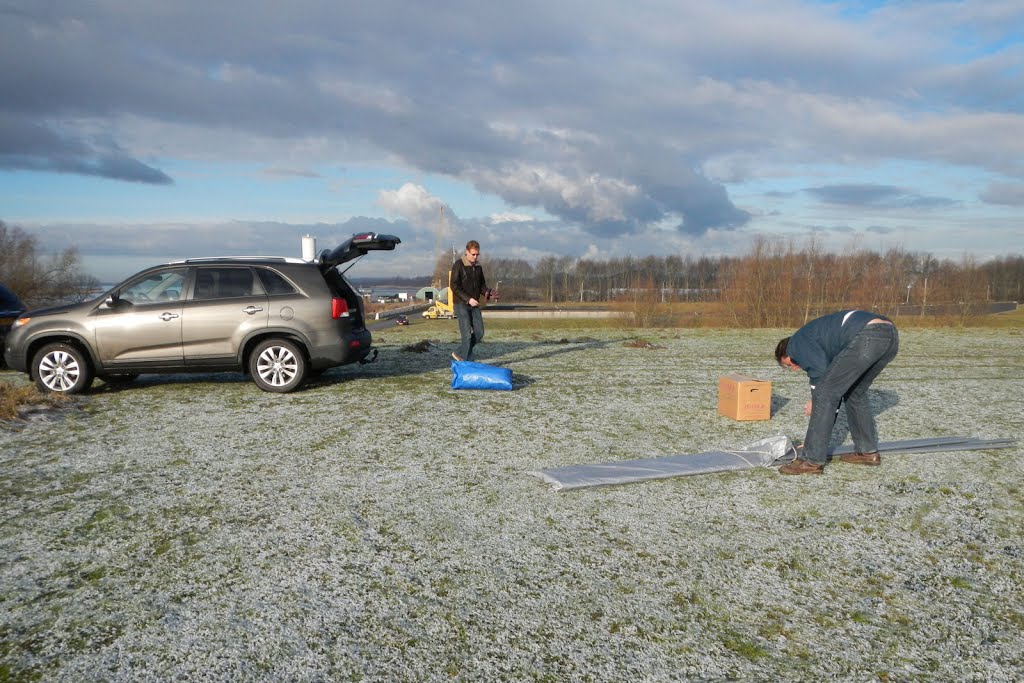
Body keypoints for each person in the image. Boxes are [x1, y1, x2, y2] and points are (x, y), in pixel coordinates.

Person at [774, 310, 899, 475]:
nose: (796, 368)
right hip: (890, 336)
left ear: (786, 352)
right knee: (855, 392)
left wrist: (815, 402)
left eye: (791, 364)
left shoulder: (796, 344)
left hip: (867, 335)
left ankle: (812, 460)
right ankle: (867, 452)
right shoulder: (815, 338)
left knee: (823, 394)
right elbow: (835, 388)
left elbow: (822, 381)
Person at [450, 240, 491, 362]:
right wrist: (468, 299)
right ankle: (467, 362)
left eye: (477, 254)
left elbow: (482, 286)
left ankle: (459, 353)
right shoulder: (458, 265)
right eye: (473, 254)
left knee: (479, 333)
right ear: (467, 252)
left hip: (475, 304)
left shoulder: (478, 267)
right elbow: (454, 286)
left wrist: (488, 292)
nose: (475, 257)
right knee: (467, 335)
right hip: (461, 304)